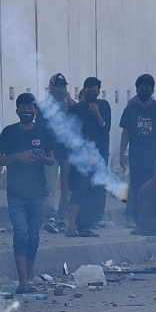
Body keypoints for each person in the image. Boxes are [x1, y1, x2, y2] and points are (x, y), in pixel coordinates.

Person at [0, 93, 55, 291]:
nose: (27, 111)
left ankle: (26, 280)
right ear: (17, 111)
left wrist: (41, 158)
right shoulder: (9, 132)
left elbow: (51, 160)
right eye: (23, 108)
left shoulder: (43, 131)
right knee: (21, 234)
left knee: (34, 237)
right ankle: (23, 282)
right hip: (16, 194)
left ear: (35, 111)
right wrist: (17, 156)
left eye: (30, 108)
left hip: (37, 193)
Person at [119, 74, 156, 226]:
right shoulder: (130, 110)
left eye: (147, 88)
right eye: (141, 88)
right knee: (135, 187)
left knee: (154, 187)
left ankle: (152, 218)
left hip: (155, 157)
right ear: (137, 90)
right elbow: (125, 133)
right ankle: (133, 217)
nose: (144, 90)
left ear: (152, 90)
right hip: (136, 157)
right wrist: (122, 153)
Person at [65, 76, 112, 237]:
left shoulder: (104, 106)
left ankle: (85, 226)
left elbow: (105, 128)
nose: (92, 93)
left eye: (95, 91)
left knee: (93, 193)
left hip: (98, 157)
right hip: (80, 157)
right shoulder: (76, 109)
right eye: (89, 91)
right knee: (78, 190)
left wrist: (97, 113)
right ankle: (71, 225)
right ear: (84, 90)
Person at [41, 73, 73, 233]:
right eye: (59, 86)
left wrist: (71, 103)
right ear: (52, 88)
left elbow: (78, 123)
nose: (62, 89)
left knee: (68, 187)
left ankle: (62, 217)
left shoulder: (70, 105)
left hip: (68, 151)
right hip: (51, 150)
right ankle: (50, 217)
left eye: (64, 86)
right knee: (49, 185)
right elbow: (41, 128)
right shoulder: (44, 106)